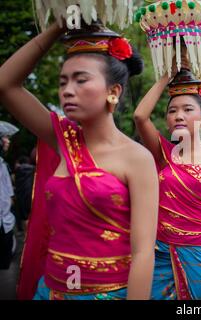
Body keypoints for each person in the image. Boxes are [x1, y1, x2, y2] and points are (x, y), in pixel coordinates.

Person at [0, 22, 158, 300]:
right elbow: (5, 84)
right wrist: (56, 27)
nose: (67, 90)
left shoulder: (137, 158)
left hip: (109, 293)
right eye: (63, 82)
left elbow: (143, 252)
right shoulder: (63, 140)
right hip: (50, 291)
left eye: (81, 80)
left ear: (114, 91)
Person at [134, 66, 201, 300]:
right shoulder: (163, 154)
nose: (178, 115)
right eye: (172, 111)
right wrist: (166, 74)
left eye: (188, 110)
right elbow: (140, 116)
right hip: (160, 256)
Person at [0, 135, 16, 270]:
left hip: (5, 220)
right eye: (5, 138)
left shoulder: (2, 164)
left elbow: (8, 190)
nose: (8, 141)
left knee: (5, 261)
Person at [13, 154, 35, 233]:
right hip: (30, 195)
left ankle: (22, 231)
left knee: (22, 216)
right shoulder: (33, 169)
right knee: (31, 215)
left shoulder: (17, 171)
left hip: (20, 196)